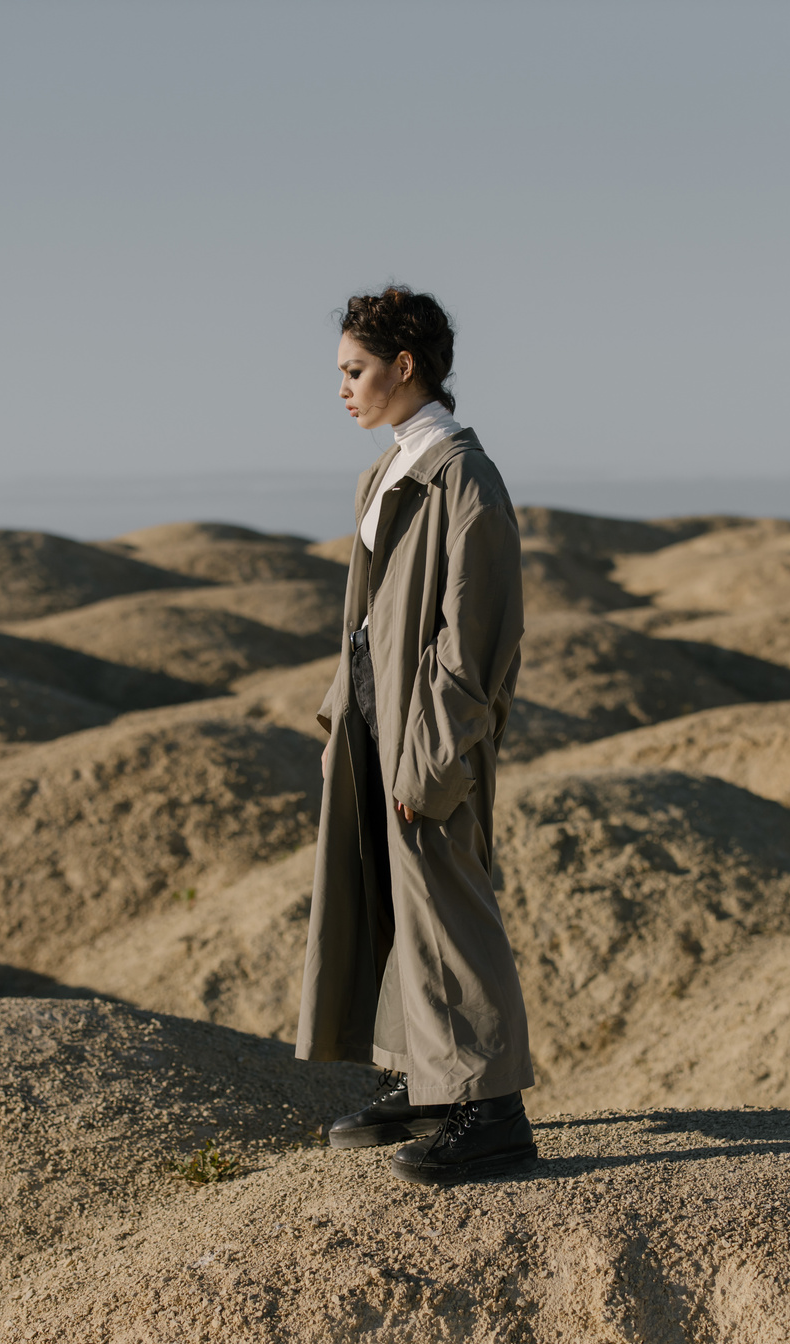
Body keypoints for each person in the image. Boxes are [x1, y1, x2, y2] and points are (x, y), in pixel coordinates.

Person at [295, 285, 537, 1185]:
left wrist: (431, 749)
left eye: (356, 371)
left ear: (406, 367)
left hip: (425, 731)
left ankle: (493, 1112)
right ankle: (430, 1082)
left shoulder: (464, 478)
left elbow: (475, 636)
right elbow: (367, 618)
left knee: (447, 901)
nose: (344, 389)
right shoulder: (390, 468)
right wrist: (342, 718)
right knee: (396, 901)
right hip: (375, 719)